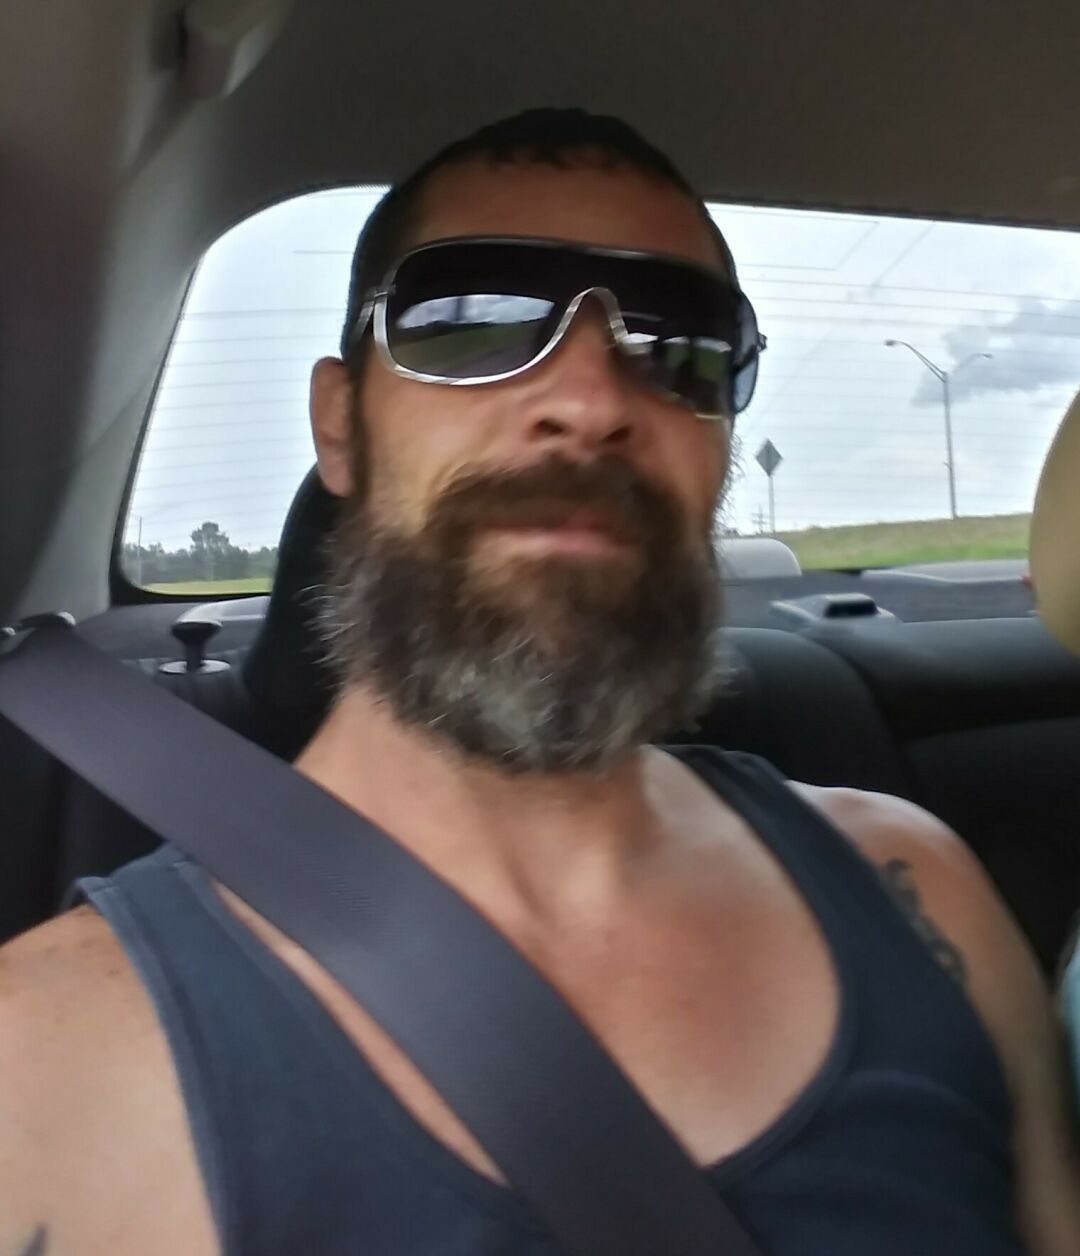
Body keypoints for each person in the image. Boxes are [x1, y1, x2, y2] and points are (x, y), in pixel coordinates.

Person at [1, 109, 1078, 1256]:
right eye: (468, 322)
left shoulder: (920, 892)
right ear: (339, 425)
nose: (593, 399)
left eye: (679, 344)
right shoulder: (47, 1055)